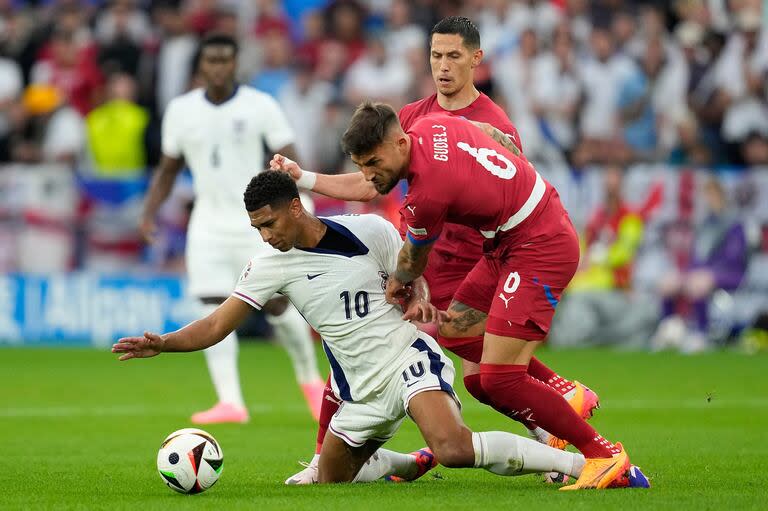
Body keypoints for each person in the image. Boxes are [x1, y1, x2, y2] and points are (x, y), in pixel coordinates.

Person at [113, 170, 633, 487]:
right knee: (332, 478)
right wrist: (165, 343)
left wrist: (422, 300)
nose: (266, 236)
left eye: (270, 223)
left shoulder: (372, 231)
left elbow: (417, 280)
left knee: (456, 448)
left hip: (408, 362)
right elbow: (215, 325)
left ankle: (586, 466)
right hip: (358, 391)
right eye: (257, 228)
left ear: (296, 207)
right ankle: (410, 463)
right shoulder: (267, 267)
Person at [274, 17, 598, 485]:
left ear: (475, 60)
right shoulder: (412, 116)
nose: (443, 66)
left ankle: (559, 427)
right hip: (422, 253)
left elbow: (507, 191)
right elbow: (370, 179)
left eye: (453, 56)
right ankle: (552, 421)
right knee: (462, 373)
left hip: (466, 257)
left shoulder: (495, 123)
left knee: (478, 372)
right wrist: (304, 178)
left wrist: (411, 267)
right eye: (436, 56)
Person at [338, 102, 641, 490]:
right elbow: (488, 133)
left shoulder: (425, 193)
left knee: (499, 379)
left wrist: (397, 282)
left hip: (537, 245)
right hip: (511, 239)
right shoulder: (434, 124)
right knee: (456, 336)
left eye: (373, 162)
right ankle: (564, 392)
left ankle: (603, 454)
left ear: (399, 142)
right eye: (361, 164)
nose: (368, 174)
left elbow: (413, 261)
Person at [139, 33, 325, 425]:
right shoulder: (181, 110)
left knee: (276, 306)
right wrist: (150, 211)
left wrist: (303, 200)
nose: (218, 67)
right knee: (210, 304)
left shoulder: (260, 105)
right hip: (206, 224)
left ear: (236, 63)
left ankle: (310, 382)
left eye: (225, 60)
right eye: (211, 60)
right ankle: (230, 402)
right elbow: (169, 168)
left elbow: (290, 158)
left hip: (256, 225)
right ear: (200, 66)